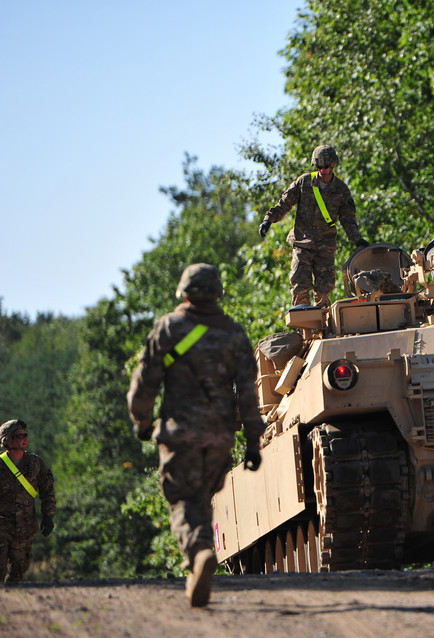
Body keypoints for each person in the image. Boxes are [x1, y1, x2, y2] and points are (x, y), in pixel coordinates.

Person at [127, 264, 265, 607]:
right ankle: (200, 557)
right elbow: (249, 394)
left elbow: (144, 384)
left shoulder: (170, 328)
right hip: (220, 437)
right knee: (202, 498)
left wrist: (142, 422)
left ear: (184, 292)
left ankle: (200, 552)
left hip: (180, 434)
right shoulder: (234, 335)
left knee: (184, 501)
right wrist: (252, 441)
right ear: (218, 293)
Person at [258, 144, 369, 308]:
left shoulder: (341, 190)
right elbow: (284, 203)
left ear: (333, 165)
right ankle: (304, 326)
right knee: (300, 285)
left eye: (326, 166)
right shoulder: (304, 183)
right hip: (302, 243)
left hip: (325, 246)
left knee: (324, 291)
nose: (322, 170)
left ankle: (323, 325)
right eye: (319, 166)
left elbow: (348, 219)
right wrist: (269, 219)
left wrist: (357, 239)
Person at [0, 419, 56, 584]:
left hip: (25, 528)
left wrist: (48, 516)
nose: (25, 438)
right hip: (1, 527)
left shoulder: (35, 463)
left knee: (18, 571)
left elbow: (47, 489)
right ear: (7, 440)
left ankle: (12, 603)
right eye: (19, 436)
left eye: (25, 435)